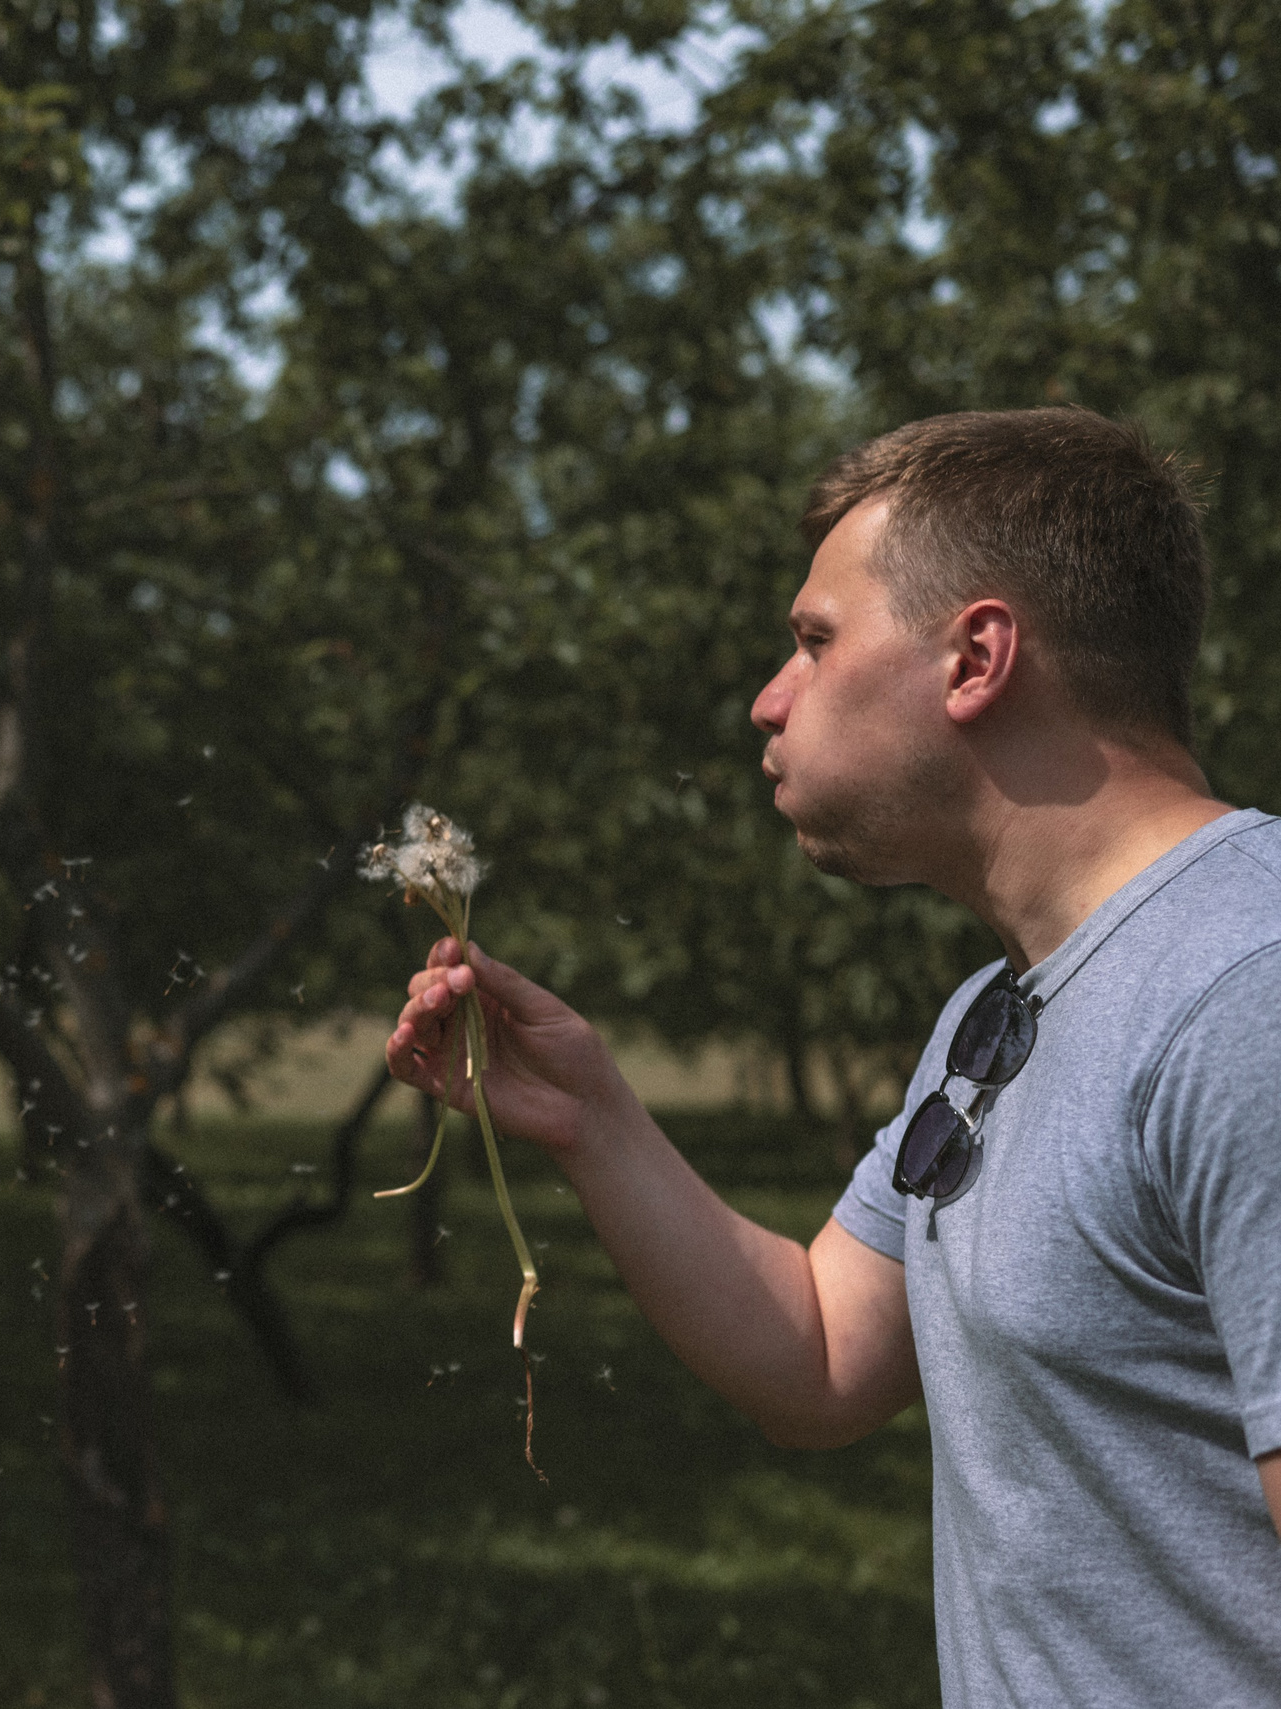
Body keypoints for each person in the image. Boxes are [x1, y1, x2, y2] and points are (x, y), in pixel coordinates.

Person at [385, 408, 1281, 1706]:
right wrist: (592, 1115)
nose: (768, 695)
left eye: (815, 641)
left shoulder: (1243, 995)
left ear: (976, 657)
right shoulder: (996, 1013)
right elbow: (818, 1359)